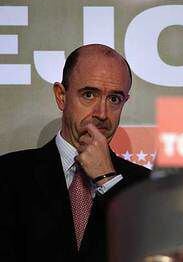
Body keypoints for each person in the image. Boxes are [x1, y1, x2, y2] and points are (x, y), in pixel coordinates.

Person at [0, 44, 150, 262]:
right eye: (89, 94)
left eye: (114, 99)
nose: (101, 113)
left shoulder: (144, 188)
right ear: (61, 96)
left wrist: (107, 180)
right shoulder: (8, 175)